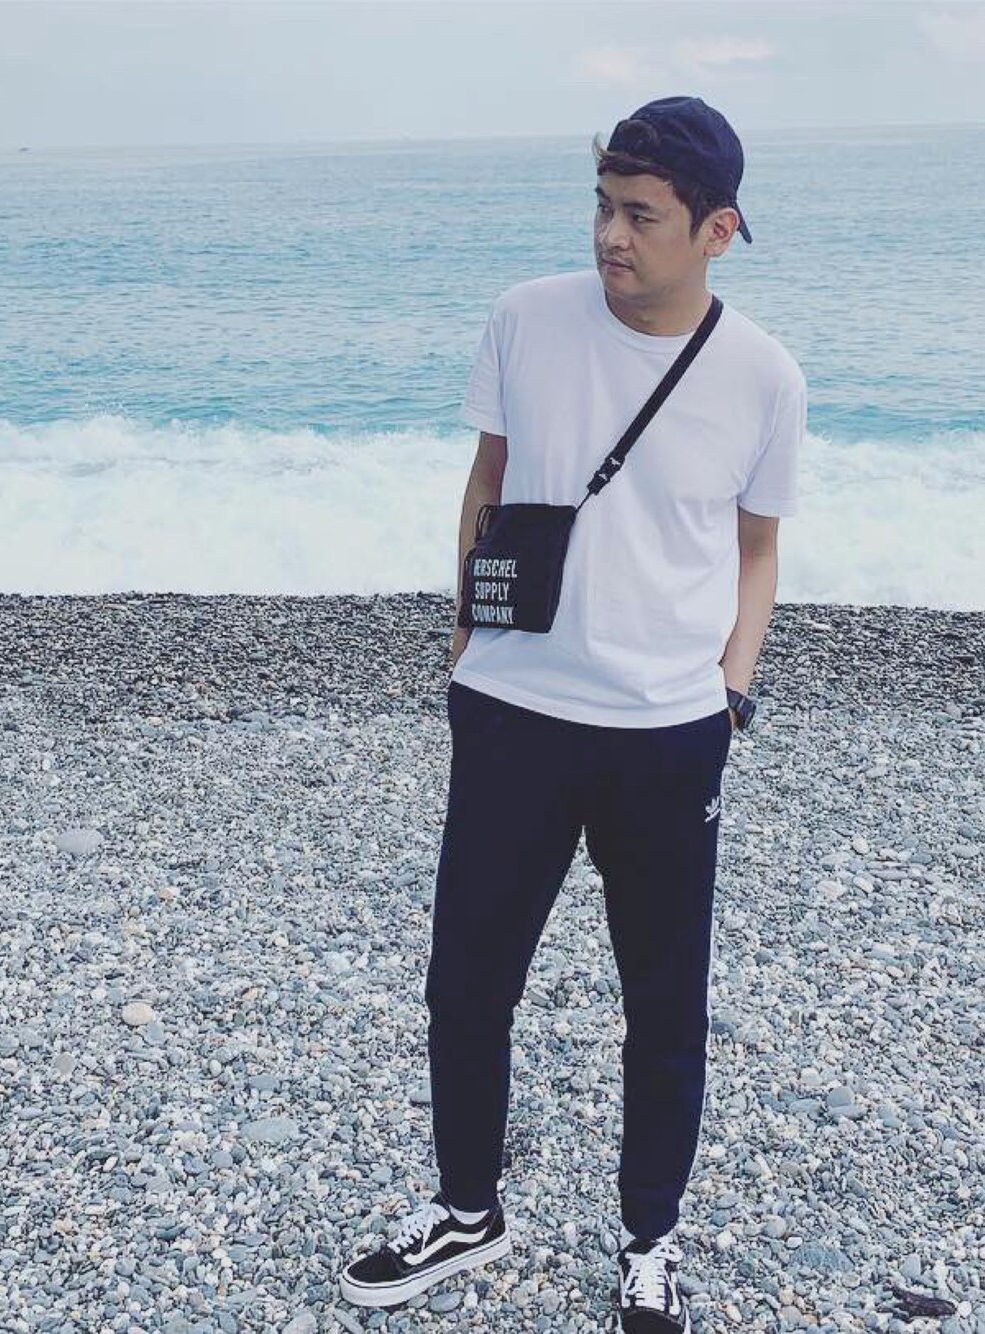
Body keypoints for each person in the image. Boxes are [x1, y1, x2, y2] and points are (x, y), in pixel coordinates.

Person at [340, 94, 807, 1332]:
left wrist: (732, 687)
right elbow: (487, 482)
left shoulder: (764, 375)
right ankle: (465, 1207)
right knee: (465, 981)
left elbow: (756, 551)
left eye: (640, 215)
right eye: (601, 206)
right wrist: (463, 646)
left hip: (667, 730)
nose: (610, 235)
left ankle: (649, 1239)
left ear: (716, 229)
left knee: (662, 1002)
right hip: (514, 711)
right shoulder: (524, 318)